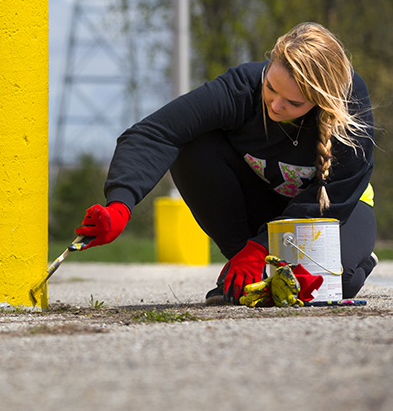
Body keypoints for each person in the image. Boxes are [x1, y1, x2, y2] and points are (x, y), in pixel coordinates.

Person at [74, 22, 377, 303]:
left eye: (293, 103)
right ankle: (242, 263)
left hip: (335, 210)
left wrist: (263, 246)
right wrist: (120, 204)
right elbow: (155, 132)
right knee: (193, 143)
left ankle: (356, 260)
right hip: (264, 205)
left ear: (321, 100)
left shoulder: (350, 102)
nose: (275, 105)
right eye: (271, 88)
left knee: (329, 288)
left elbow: (338, 193)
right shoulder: (242, 87)